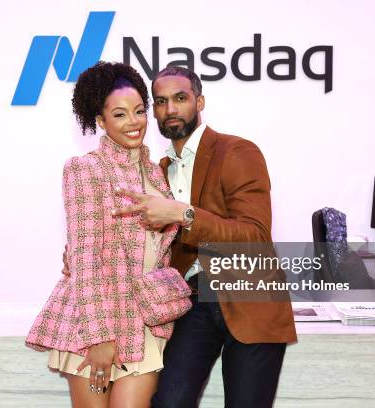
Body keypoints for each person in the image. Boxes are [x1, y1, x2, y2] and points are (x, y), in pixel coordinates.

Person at [112, 66, 298, 408]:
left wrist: (183, 214)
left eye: (180, 99)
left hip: (251, 296)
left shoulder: (237, 151)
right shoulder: (158, 170)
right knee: (169, 402)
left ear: (199, 101)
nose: (170, 109)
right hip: (193, 302)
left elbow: (254, 235)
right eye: (161, 101)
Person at [25, 61, 187, 408]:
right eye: (120, 114)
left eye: (139, 111)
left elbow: (157, 251)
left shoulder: (158, 175)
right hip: (96, 321)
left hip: (143, 323)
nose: (134, 122)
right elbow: (85, 259)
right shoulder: (86, 169)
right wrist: (100, 338)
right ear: (100, 121)